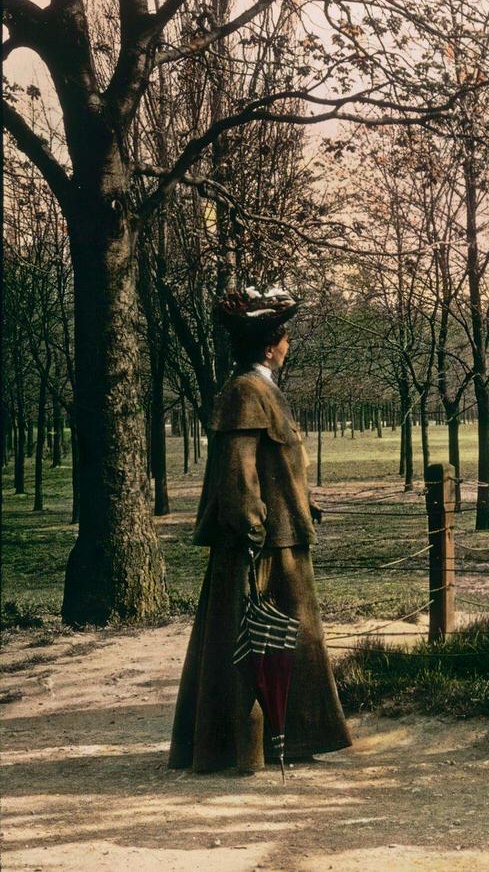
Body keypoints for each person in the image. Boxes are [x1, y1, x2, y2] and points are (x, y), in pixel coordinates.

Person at [169, 286, 351, 774]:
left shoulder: (261, 389)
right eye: (285, 338)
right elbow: (238, 473)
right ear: (271, 345)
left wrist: (302, 500)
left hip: (282, 537)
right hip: (264, 545)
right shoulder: (246, 392)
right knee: (260, 640)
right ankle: (245, 747)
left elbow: (270, 467)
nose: (288, 346)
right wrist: (252, 535)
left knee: (286, 642)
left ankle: (287, 739)